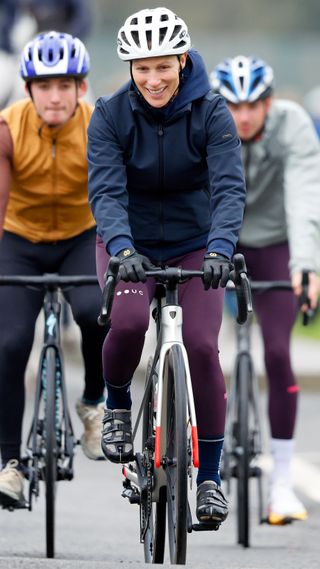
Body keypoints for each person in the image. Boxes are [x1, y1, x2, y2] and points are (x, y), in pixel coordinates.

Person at [87, 7, 246, 526]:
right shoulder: (110, 114)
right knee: (129, 323)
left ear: (182, 59)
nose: (153, 80)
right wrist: (123, 248)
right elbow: (106, 191)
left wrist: (221, 248)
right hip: (127, 244)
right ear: (130, 69)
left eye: (162, 67)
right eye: (141, 69)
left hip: (195, 244)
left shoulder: (213, 111)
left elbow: (227, 188)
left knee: (201, 346)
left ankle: (210, 481)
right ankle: (115, 407)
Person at [211, 55, 320, 525]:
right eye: (233, 105)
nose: (243, 116)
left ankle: (279, 487)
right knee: (202, 348)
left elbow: (303, 193)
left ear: (270, 103)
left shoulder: (292, 125)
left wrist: (306, 266)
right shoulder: (205, 124)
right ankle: (204, 471)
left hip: (275, 241)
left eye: (253, 105)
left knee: (277, 352)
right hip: (218, 238)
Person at [0, 30, 107, 509]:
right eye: (45, 87)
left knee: (93, 310)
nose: (56, 96)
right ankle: (9, 464)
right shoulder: (8, 128)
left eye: (66, 85)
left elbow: (111, 193)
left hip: (80, 238)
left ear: (81, 88)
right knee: (9, 342)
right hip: (19, 239)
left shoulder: (99, 125)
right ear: (29, 90)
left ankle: (93, 404)